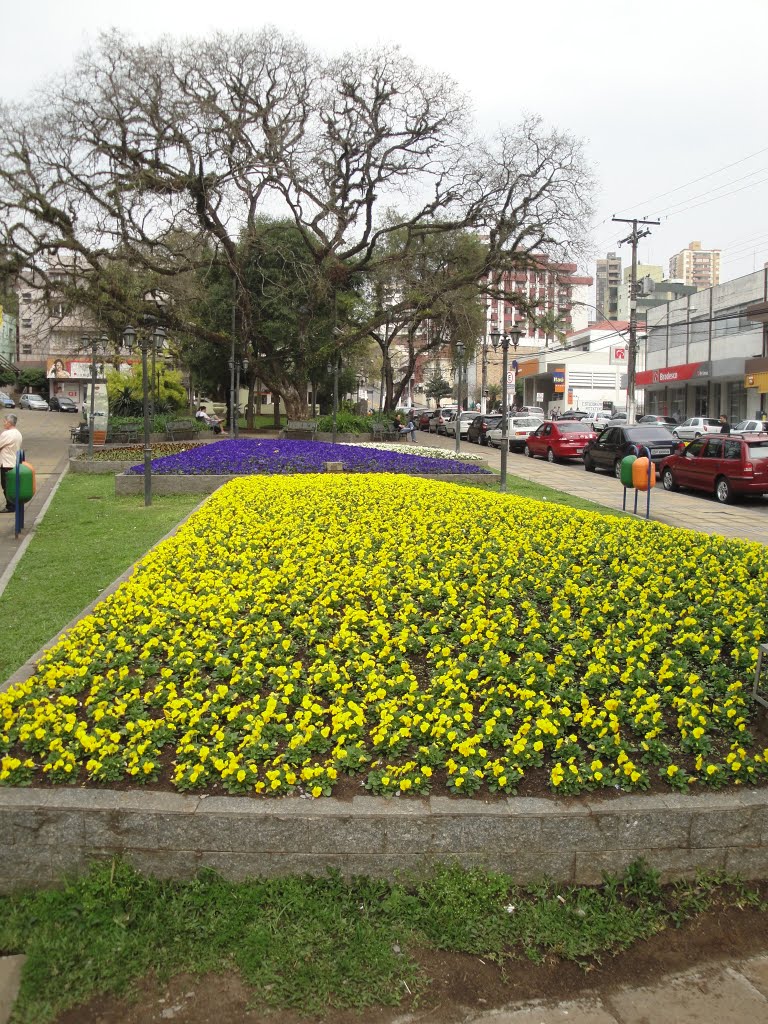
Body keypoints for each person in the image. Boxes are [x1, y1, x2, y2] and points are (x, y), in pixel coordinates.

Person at [0, 414, 23, 513]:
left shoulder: (7, 434)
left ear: (9, 422)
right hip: (13, 462)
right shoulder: (18, 433)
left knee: (6, 486)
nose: (4, 423)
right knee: (11, 486)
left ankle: (10, 506)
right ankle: (13, 504)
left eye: (5, 421)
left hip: (6, 463)